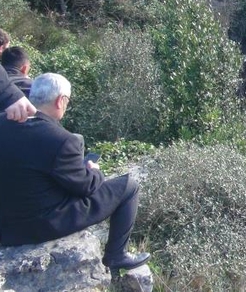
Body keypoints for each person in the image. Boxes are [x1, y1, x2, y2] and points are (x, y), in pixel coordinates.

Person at [0, 73, 150, 271]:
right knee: (128, 186)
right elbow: (85, 187)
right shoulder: (61, 139)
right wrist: (94, 172)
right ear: (61, 101)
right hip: (39, 224)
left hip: (5, 227)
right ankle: (116, 255)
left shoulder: (4, 122)